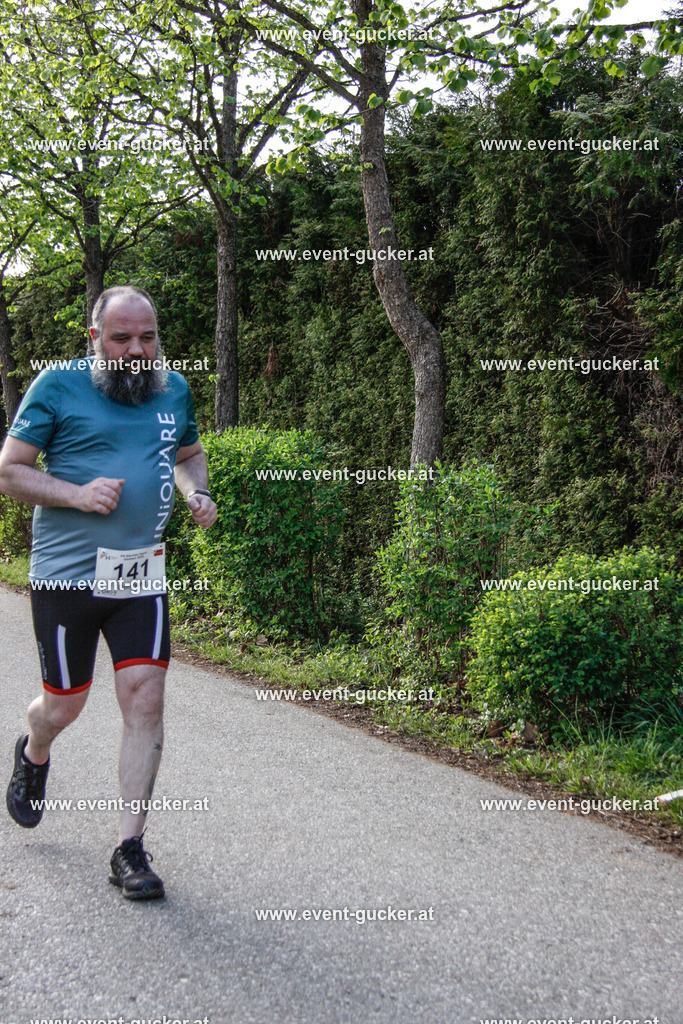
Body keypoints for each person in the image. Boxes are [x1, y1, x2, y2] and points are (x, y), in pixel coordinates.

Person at [0, 285, 217, 901]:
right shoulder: (57, 385)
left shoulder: (173, 389)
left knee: (145, 698)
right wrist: (75, 493)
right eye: (121, 338)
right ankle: (34, 749)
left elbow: (190, 456)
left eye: (147, 337)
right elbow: (9, 470)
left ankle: (129, 848)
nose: (137, 350)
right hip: (65, 577)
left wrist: (196, 491)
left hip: (140, 577)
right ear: (94, 338)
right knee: (62, 706)